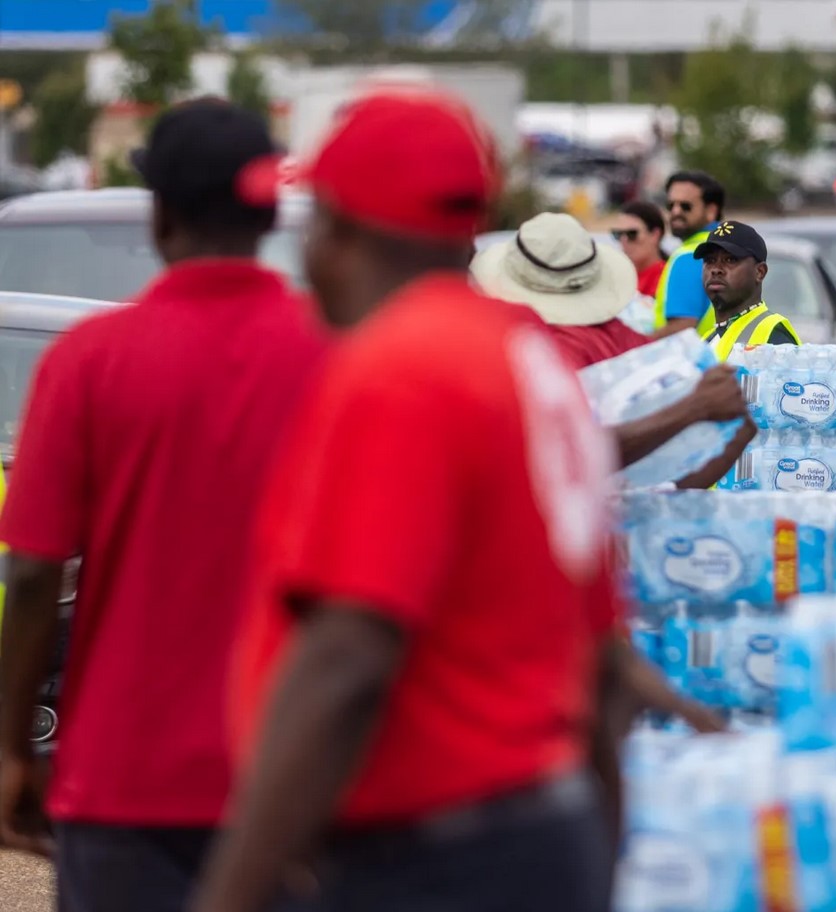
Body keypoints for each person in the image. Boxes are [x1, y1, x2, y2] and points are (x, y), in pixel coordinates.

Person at [193, 89, 618, 912]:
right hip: (536, 832)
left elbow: (348, 654)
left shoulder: (402, 371)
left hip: (431, 859)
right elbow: (601, 662)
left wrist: (229, 893)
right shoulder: (526, 365)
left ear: (342, 230)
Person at [0, 99, 327, 911]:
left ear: (162, 214)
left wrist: (11, 747)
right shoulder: (337, 359)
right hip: (289, 769)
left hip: (122, 778)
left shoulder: (88, 363)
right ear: (268, 217)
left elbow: (34, 573)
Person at [471, 212, 756, 488]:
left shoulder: (539, 355)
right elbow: (731, 438)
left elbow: (563, 455)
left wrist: (695, 408)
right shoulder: (632, 342)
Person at [697, 220, 801, 360]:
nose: (716, 269)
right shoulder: (708, 339)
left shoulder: (773, 334)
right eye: (710, 260)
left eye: (730, 260)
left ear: (760, 272)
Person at [653, 170, 724, 337]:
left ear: (711, 211)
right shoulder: (728, 248)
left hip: (693, 353)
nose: (676, 212)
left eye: (685, 206)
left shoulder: (691, 255)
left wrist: (638, 346)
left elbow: (681, 327)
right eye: (670, 205)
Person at [614, 199, 668, 299]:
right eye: (618, 234)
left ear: (655, 235)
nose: (624, 240)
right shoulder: (616, 280)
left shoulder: (669, 278)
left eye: (632, 234)